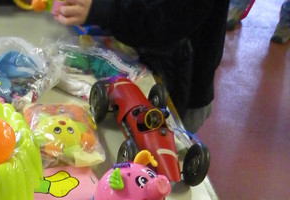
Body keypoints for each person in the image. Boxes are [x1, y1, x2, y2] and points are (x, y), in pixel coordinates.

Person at [51, 0, 231, 132]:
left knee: (160, 145)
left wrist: (103, 9)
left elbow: (168, 19)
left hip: (178, 80)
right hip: (136, 53)